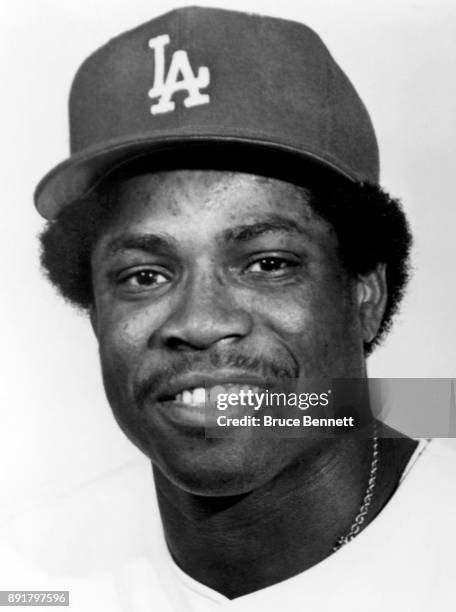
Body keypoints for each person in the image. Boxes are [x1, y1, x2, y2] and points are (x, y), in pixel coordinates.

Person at [21, 6, 456, 611]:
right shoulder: (26, 570)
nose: (199, 322)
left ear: (365, 294)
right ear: (95, 314)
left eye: (267, 264)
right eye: (145, 275)